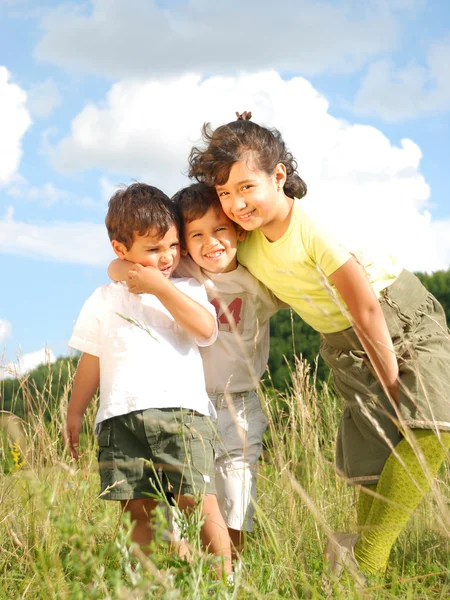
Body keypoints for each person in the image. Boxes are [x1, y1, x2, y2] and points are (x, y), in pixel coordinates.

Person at [187, 111, 450, 579]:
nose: (236, 203)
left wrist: (389, 381)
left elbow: (367, 308)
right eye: (225, 193)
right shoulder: (243, 243)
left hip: (396, 319)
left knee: (433, 424)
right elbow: (193, 238)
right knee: (375, 461)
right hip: (343, 344)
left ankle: (364, 561)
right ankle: (355, 564)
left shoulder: (313, 227)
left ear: (279, 176)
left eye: (247, 187)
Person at [108, 182, 284, 559]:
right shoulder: (184, 270)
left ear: (238, 231)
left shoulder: (258, 282)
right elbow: (119, 266)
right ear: (185, 245)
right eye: (198, 235)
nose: (211, 242)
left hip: (240, 405)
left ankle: (228, 571)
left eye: (220, 229)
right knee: (188, 495)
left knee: (236, 494)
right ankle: (186, 561)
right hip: (186, 405)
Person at [65, 182, 232, 577]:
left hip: (181, 415)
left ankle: (226, 580)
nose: (168, 257)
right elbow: (92, 358)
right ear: (121, 251)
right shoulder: (104, 297)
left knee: (200, 502)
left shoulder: (187, 287)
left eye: (173, 246)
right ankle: (148, 582)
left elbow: (206, 329)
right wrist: (76, 412)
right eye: (153, 249)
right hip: (119, 418)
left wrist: (160, 286)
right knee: (137, 513)